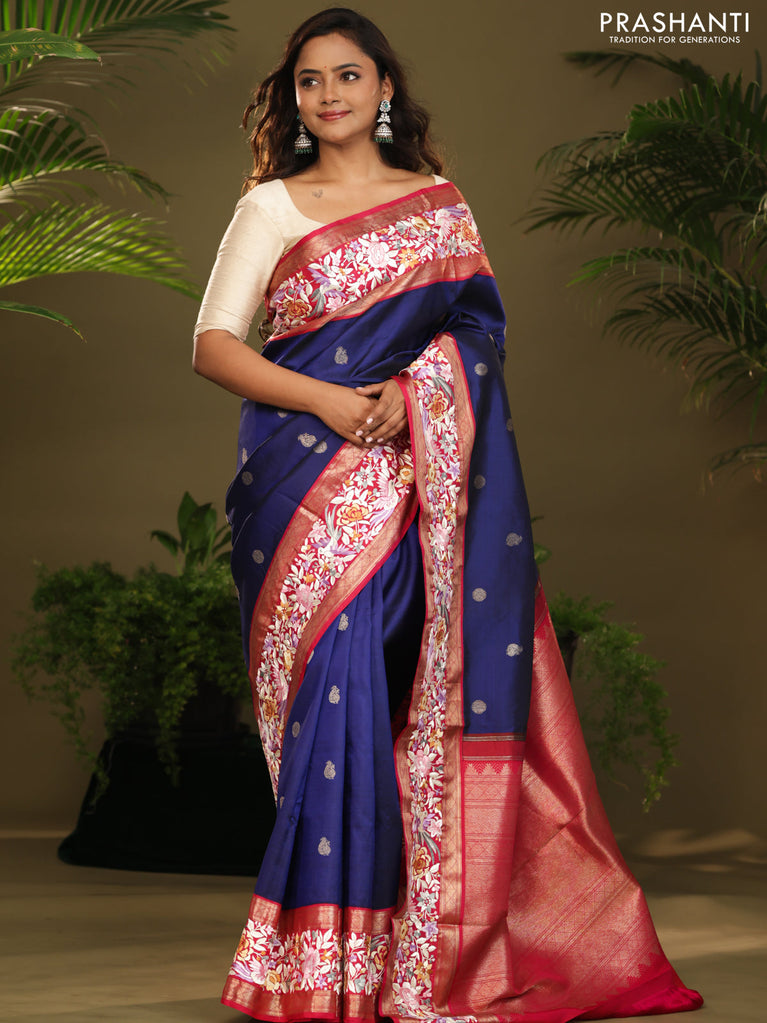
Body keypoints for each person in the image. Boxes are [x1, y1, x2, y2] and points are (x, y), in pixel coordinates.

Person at [193, 8, 703, 1022]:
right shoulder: (269, 208)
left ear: (384, 88)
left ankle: (407, 955)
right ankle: (317, 965)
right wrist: (330, 401)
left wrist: (410, 392)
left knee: (398, 707)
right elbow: (212, 345)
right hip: (303, 487)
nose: (328, 95)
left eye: (347, 76)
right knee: (330, 706)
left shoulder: (437, 204)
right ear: (291, 99)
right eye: (308, 81)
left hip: (417, 481)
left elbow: (476, 334)